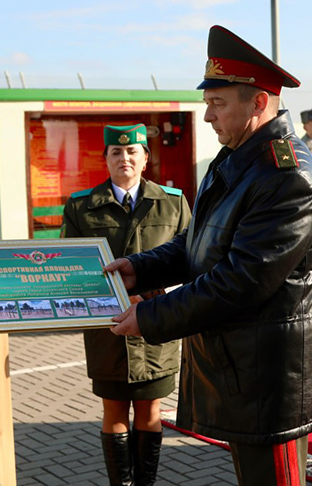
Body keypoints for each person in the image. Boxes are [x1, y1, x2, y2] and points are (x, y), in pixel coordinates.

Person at [105, 25, 312, 485]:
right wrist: (140, 267)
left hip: (270, 378)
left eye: (217, 103)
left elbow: (241, 280)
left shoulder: (288, 177)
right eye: (207, 102)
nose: (207, 116)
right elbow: (199, 243)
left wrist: (151, 316)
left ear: (258, 103)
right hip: (240, 367)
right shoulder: (238, 158)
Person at [62, 123, 190, 486]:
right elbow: (73, 266)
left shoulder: (173, 201)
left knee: (151, 409)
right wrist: (119, 296)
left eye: (132, 151)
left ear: (145, 158)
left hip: (158, 323)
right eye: (116, 152)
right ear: (105, 159)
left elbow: (192, 259)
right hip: (108, 324)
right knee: (114, 407)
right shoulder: (81, 206)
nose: (125, 158)